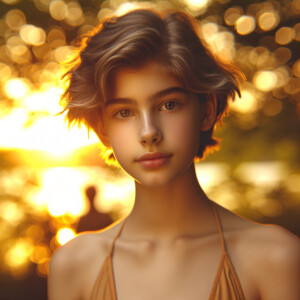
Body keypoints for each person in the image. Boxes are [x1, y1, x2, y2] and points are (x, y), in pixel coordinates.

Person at [48, 7, 300, 300]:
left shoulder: (275, 257)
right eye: (124, 112)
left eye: (169, 105)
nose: (148, 132)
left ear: (205, 112)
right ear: (103, 130)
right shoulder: (75, 265)